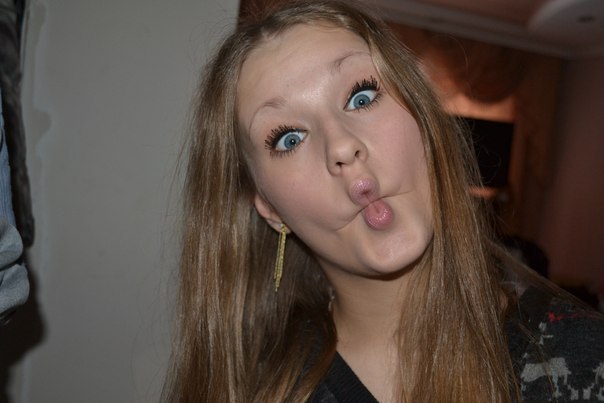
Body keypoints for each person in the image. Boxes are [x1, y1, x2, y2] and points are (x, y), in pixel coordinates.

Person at [164, 1, 604, 401]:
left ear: (424, 120)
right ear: (270, 208)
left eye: (361, 96)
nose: (341, 146)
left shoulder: (582, 361)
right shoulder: (246, 388)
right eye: (289, 138)